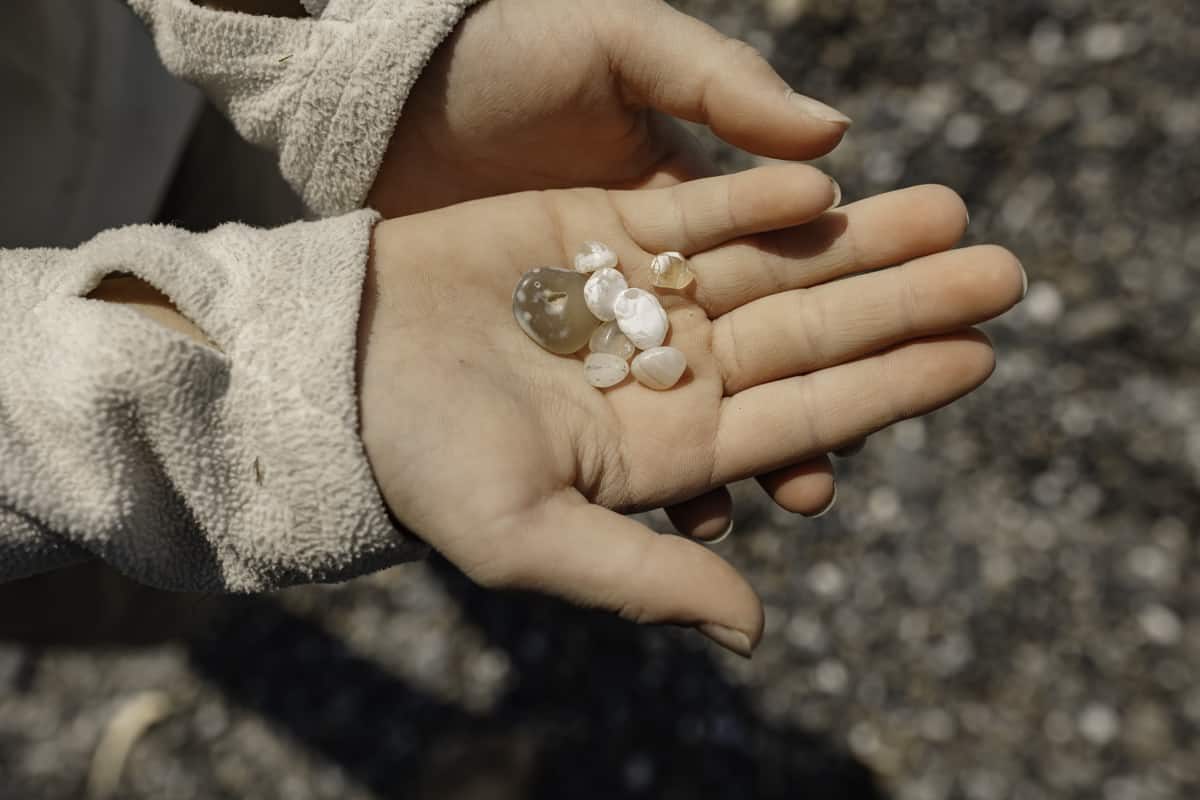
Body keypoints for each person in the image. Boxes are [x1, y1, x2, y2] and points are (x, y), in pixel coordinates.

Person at [0, 0, 1025, 656]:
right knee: (138, 592)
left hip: (124, 76)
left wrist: (338, 45)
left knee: (280, 228)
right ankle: (211, 634)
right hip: (48, 451)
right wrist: (254, 392)